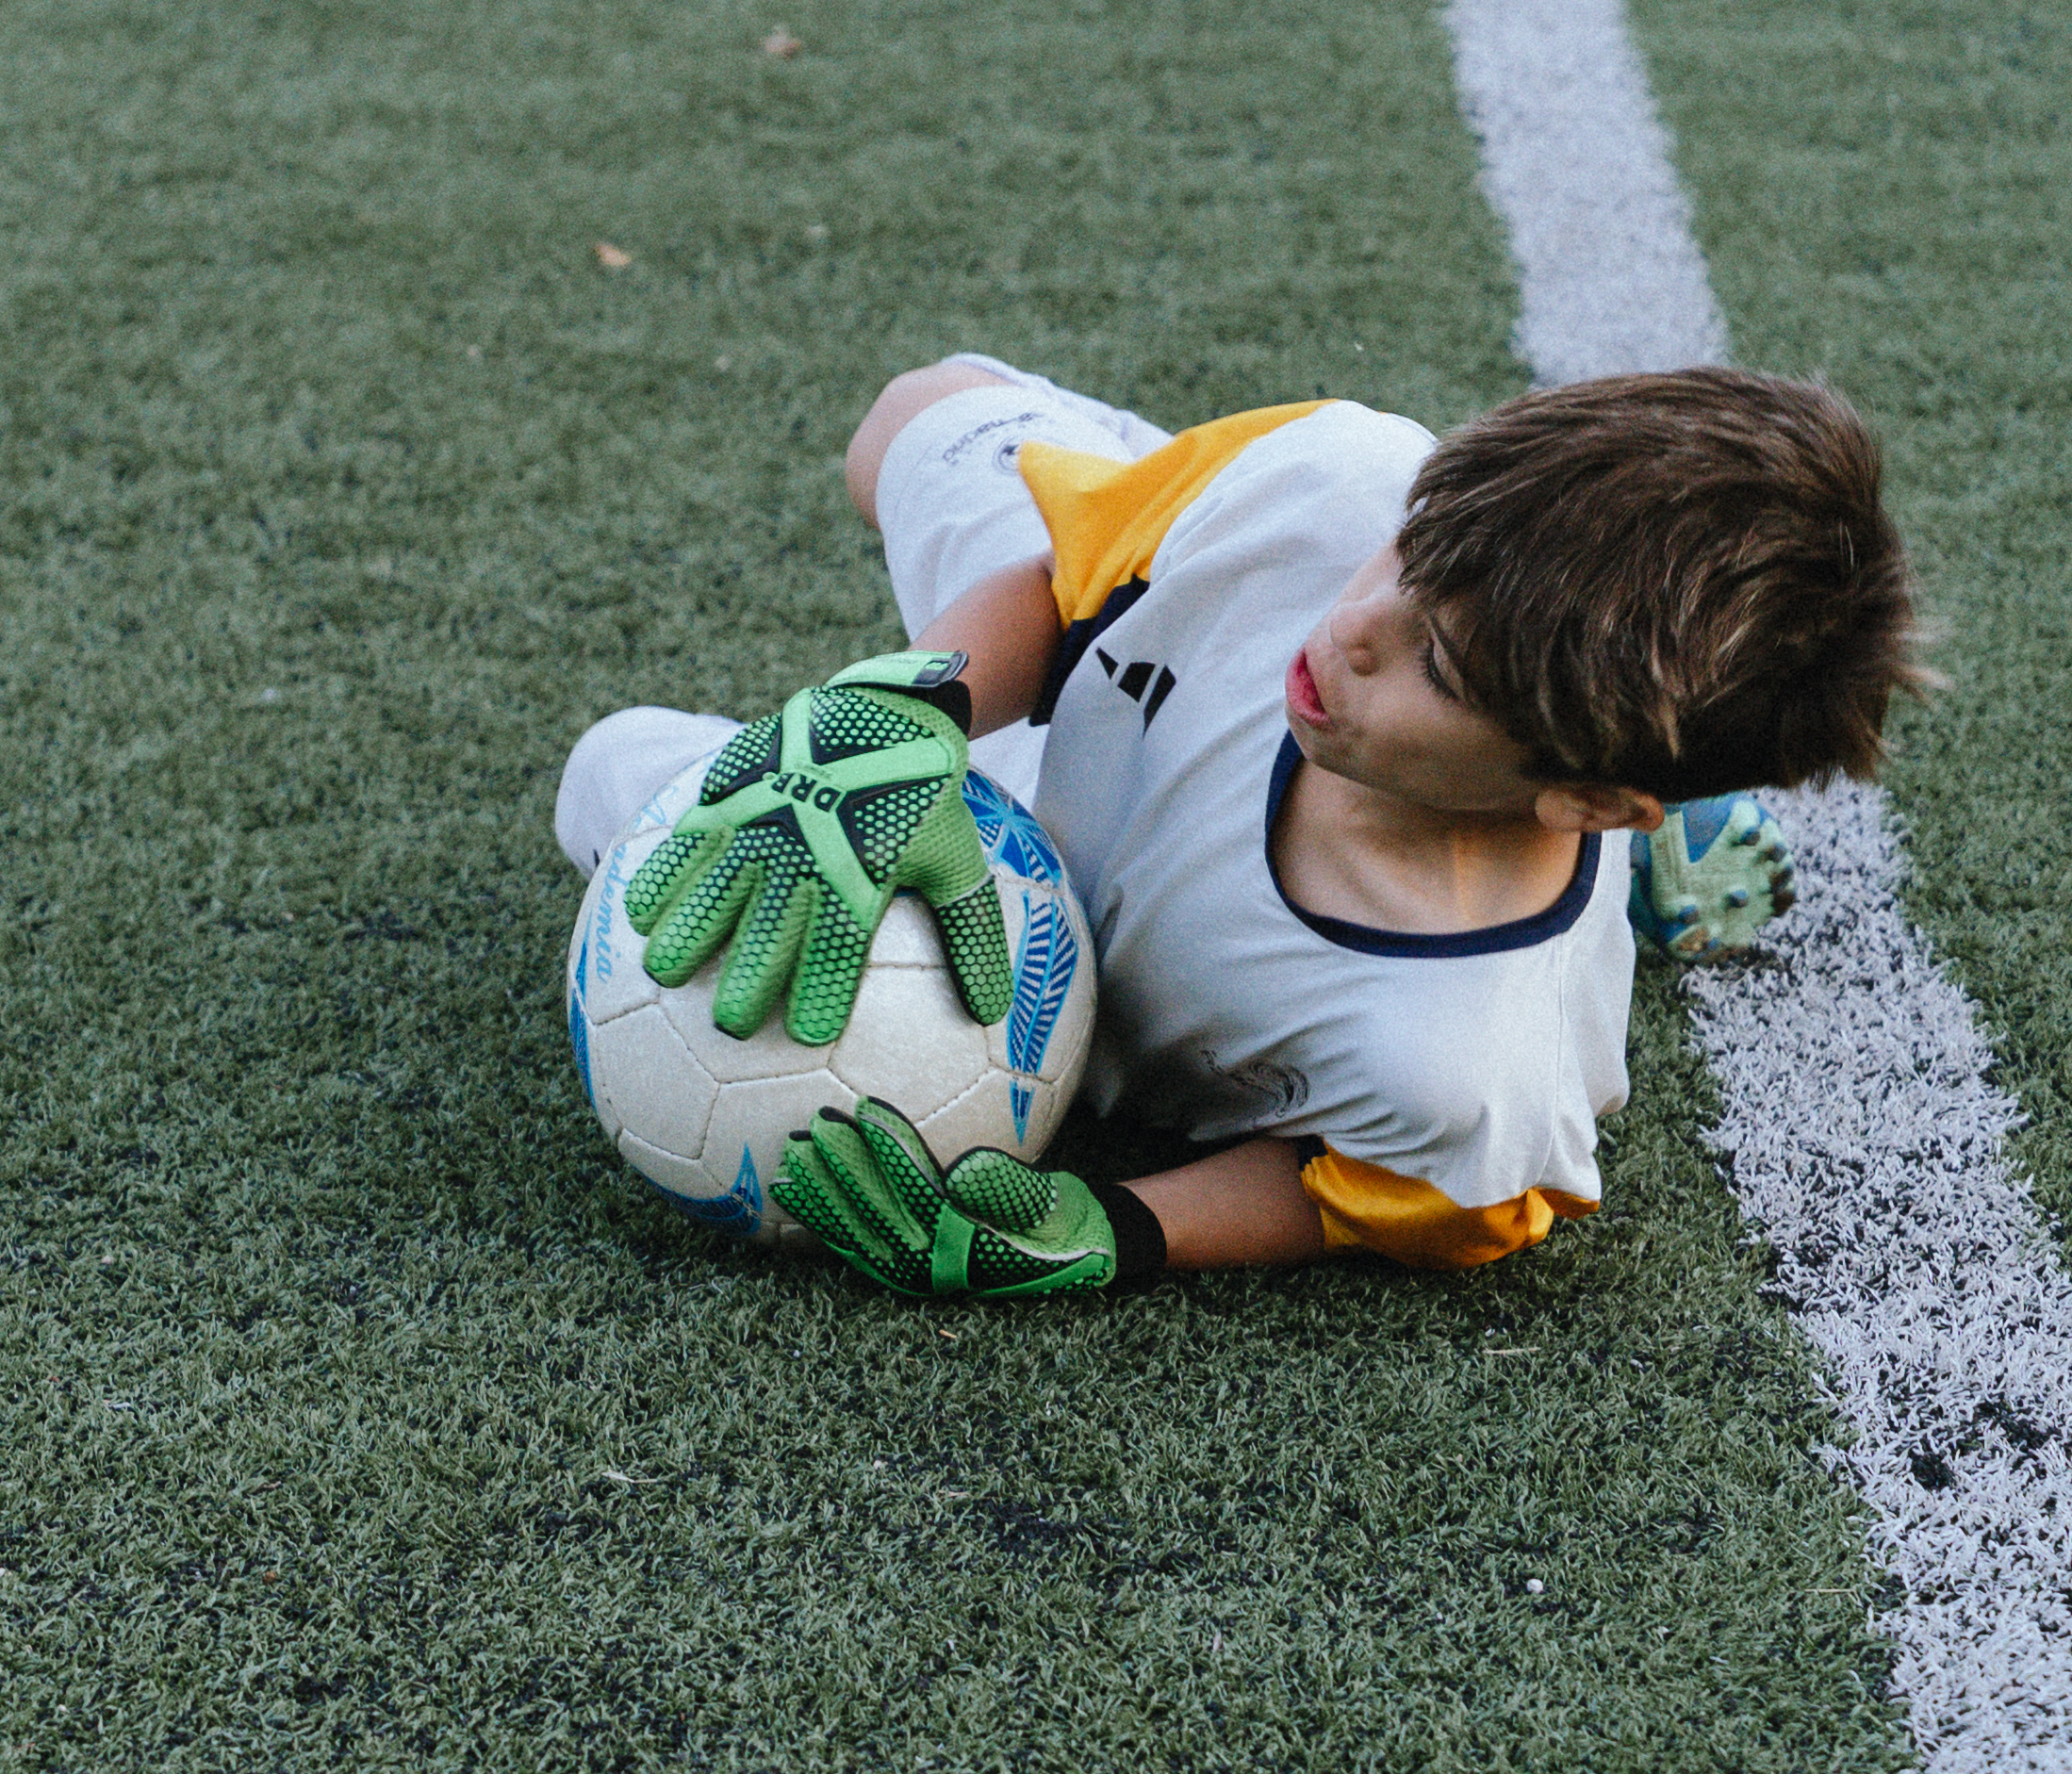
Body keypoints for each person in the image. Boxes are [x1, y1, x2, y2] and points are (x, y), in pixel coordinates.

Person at [555, 354, 1929, 1297]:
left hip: (1065, 909)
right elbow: (1073, 569)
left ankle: (1637, 866)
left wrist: (1115, 1229)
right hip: (1101, 695)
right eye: (1415, 555)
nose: (1353, 628)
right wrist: (908, 714)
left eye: (1441, 666)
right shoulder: (1340, 486)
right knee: (912, 413)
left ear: (1585, 788)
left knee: (618, 782)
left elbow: (1349, 1187)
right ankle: (1646, 836)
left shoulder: (1473, 1077)